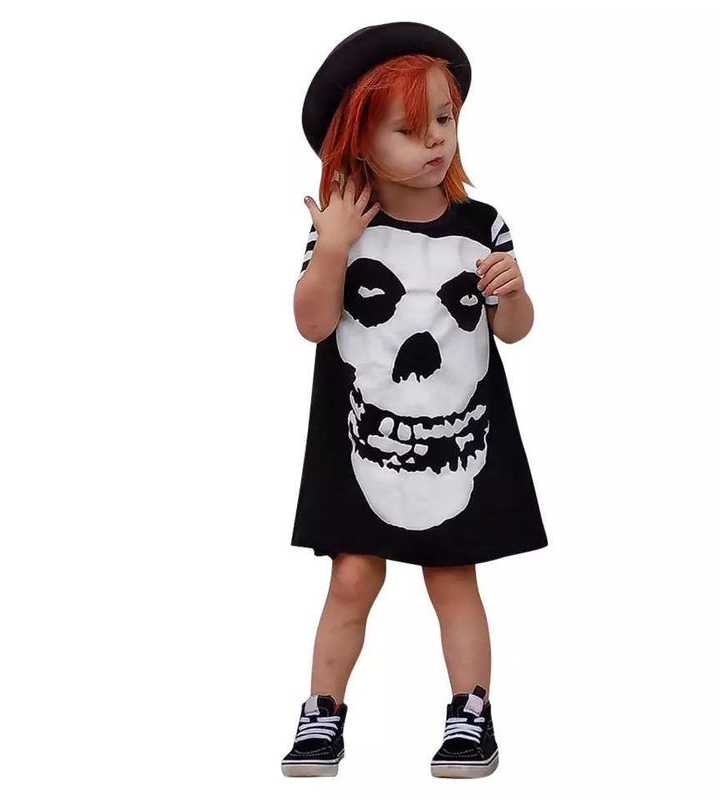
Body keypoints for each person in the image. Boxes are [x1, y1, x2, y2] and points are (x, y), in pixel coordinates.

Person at [281, 22, 548, 779]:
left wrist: (512, 293)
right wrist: (335, 246)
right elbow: (312, 324)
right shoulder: (343, 231)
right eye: (408, 128)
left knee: (453, 574)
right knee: (352, 576)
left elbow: (515, 331)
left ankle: (471, 714)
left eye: (444, 118)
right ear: (359, 143)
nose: (435, 139)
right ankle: (322, 711)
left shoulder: (481, 225)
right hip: (364, 438)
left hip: (458, 434)